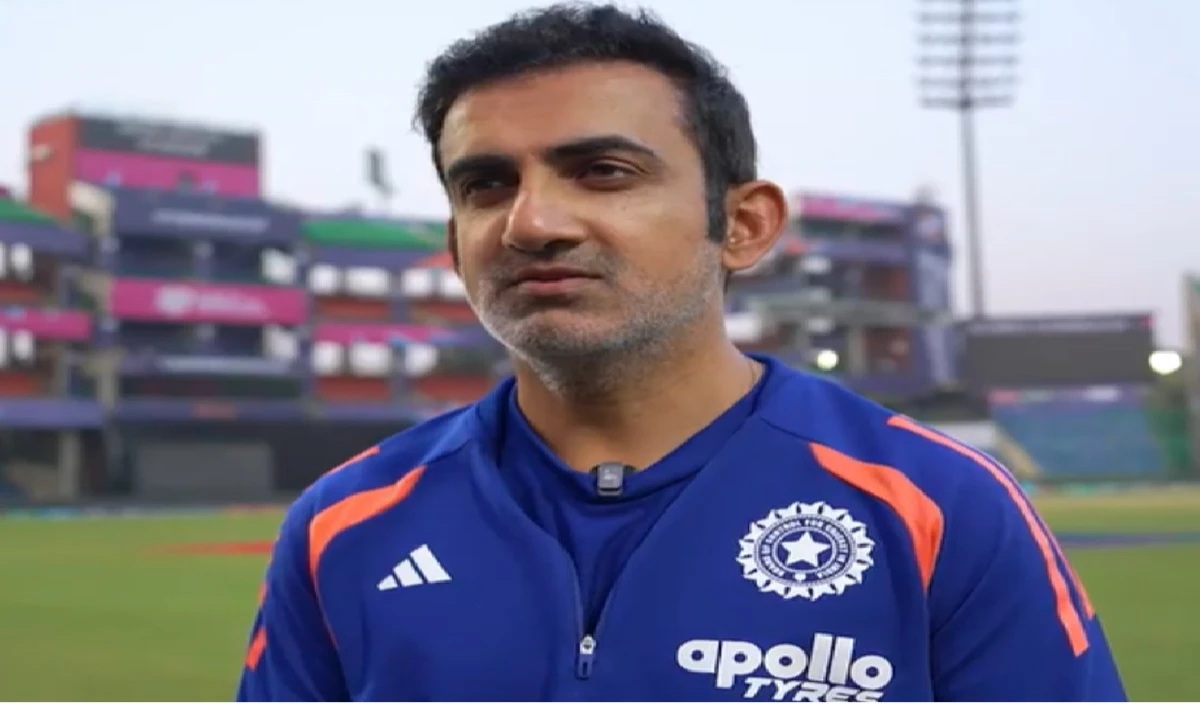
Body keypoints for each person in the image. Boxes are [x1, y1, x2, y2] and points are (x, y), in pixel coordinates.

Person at [235, 4, 1127, 701]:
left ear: (742, 224)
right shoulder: (343, 524)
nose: (530, 222)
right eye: (486, 184)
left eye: (604, 172)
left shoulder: (939, 505)